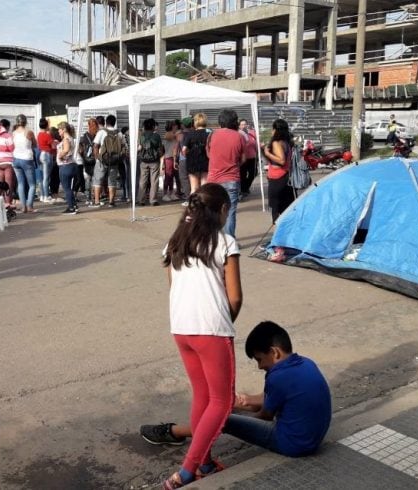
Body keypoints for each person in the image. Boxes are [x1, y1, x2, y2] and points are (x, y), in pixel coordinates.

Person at [140, 321, 332, 460]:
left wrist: (226, 411)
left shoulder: (277, 377)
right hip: (313, 438)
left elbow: (264, 416)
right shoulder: (306, 363)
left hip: (293, 444)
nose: (259, 367)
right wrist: (244, 401)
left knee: (221, 420)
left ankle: (173, 432)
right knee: (226, 409)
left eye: (259, 359)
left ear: (274, 352)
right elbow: (274, 397)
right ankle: (214, 415)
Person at [160, 183, 243, 489]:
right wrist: (222, 322)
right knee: (222, 401)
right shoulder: (225, 243)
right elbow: (234, 298)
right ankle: (187, 470)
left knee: (203, 396)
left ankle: (206, 462)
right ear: (222, 211)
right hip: (211, 330)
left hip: (181, 328)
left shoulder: (174, 242)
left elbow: (173, 285)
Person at [206, 109, 245, 238]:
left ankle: (212, 240)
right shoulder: (239, 136)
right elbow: (243, 158)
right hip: (232, 178)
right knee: (230, 212)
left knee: (213, 211)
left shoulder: (212, 135)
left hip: (213, 179)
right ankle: (229, 242)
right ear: (235, 121)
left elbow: (208, 154)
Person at [262, 119, 296, 224]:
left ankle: (277, 232)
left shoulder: (277, 143)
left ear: (276, 130)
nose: (271, 131)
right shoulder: (287, 142)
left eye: (273, 129)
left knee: (275, 207)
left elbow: (281, 160)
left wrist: (267, 153)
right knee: (285, 207)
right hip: (284, 176)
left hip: (277, 178)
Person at [91, 114, 125, 208]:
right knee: (112, 181)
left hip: (102, 160)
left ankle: (97, 202)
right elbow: (123, 147)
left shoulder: (101, 132)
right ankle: (111, 202)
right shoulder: (119, 133)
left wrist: (98, 157)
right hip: (114, 160)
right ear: (114, 123)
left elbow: (96, 146)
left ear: (106, 122)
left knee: (98, 180)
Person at [11, 114, 38, 213]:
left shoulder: (13, 133)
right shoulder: (29, 132)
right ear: (25, 122)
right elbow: (35, 144)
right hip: (27, 159)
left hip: (16, 159)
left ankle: (23, 207)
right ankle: (29, 205)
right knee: (32, 184)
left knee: (21, 183)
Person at [181, 113, 210, 200]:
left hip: (192, 162)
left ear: (195, 122)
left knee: (194, 188)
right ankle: (204, 207)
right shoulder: (210, 133)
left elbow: (184, 149)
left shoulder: (190, 134)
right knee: (204, 187)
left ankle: (193, 208)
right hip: (206, 161)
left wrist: (188, 154)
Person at [0, 119, 17, 209]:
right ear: (6, 127)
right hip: (7, 162)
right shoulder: (7, 136)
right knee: (8, 183)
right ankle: (8, 202)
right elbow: (12, 148)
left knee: (0, 183)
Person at [138, 118, 164, 206]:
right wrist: (160, 156)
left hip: (144, 161)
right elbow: (160, 148)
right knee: (154, 180)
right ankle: (153, 200)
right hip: (154, 160)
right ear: (153, 126)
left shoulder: (141, 136)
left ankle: (141, 200)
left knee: (143, 180)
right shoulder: (156, 136)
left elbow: (139, 148)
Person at [56, 122, 78, 215]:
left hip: (65, 165)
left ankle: (71, 207)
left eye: (59, 130)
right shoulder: (71, 138)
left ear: (64, 129)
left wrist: (60, 155)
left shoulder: (66, 139)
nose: (58, 131)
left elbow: (66, 149)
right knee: (69, 188)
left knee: (67, 188)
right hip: (72, 165)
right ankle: (74, 205)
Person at [238, 119, 258, 200]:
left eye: (245, 124)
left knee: (254, 173)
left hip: (252, 158)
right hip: (243, 158)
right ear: (239, 126)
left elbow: (256, 144)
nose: (244, 126)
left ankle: (245, 187)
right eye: (242, 124)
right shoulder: (238, 134)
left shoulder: (252, 133)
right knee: (242, 175)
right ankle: (243, 190)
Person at [162, 120, 179, 202]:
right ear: (172, 126)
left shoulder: (171, 134)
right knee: (168, 176)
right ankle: (165, 194)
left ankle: (171, 193)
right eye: (175, 125)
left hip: (171, 157)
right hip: (169, 157)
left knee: (171, 176)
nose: (176, 127)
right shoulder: (170, 134)